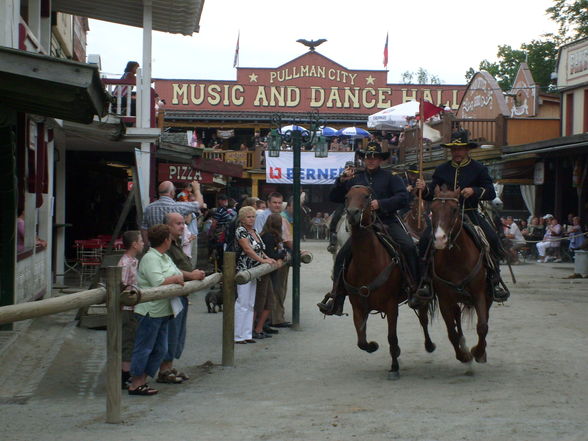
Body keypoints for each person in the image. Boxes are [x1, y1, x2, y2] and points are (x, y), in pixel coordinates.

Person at [318, 141, 420, 315]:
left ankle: (415, 288)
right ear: (364, 159)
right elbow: (334, 197)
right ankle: (337, 297)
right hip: (363, 228)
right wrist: (341, 181)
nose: (371, 160)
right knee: (342, 256)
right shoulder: (355, 179)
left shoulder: (391, 177)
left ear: (381, 160)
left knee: (409, 246)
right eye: (368, 157)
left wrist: (381, 203)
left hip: (387, 221)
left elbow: (403, 198)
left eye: (375, 157)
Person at [415, 129, 509, 303]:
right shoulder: (442, 169)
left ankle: (495, 280)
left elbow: (489, 192)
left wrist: (475, 190)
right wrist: (423, 188)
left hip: (470, 213)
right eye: (454, 149)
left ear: (467, 150)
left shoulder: (479, 169)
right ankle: (425, 281)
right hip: (445, 216)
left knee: (492, 238)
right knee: (425, 241)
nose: (457, 152)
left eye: (460, 149)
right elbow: (430, 194)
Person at [128, 224, 184, 396]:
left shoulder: (164, 257)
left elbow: (176, 273)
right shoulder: (151, 258)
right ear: (166, 240)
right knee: (145, 347)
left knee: (160, 349)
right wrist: (175, 278)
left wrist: (178, 277)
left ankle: (143, 379)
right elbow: (158, 282)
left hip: (164, 310)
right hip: (150, 311)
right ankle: (136, 383)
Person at [157, 213, 206, 384]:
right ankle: (164, 370)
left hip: (182, 294)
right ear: (168, 226)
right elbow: (170, 270)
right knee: (171, 332)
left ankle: (169, 367)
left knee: (178, 333)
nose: (181, 226)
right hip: (171, 296)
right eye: (177, 223)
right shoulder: (165, 246)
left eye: (182, 223)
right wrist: (191, 275)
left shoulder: (176, 243)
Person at [235, 206, 276, 344]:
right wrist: (263, 260)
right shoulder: (241, 231)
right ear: (242, 218)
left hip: (255, 270)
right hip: (244, 268)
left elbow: (259, 249)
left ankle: (247, 334)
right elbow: (247, 249)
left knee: (251, 303)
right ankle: (238, 335)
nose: (251, 219)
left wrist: (266, 258)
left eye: (253, 216)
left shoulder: (255, 231)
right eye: (248, 217)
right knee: (242, 302)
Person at [255, 192, 293, 327]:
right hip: (268, 258)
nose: (277, 205)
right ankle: (265, 322)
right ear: (268, 203)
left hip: (278, 256)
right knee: (266, 292)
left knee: (278, 289)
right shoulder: (261, 216)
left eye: (279, 202)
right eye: (274, 202)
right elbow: (259, 238)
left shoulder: (281, 217)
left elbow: (285, 238)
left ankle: (274, 319)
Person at [117, 230, 144, 389]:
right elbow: (122, 284)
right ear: (134, 244)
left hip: (133, 306)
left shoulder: (133, 261)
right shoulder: (126, 263)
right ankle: (124, 373)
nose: (142, 243)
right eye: (140, 241)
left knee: (132, 338)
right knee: (128, 339)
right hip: (127, 307)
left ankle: (127, 370)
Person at [255, 213, 288, 339]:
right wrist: (281, 254)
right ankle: (259, 326)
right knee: (265, 299)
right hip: (267, 271)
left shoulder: (271, 235)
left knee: (269, 298)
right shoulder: (268, 236)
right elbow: (270, 253)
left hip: (271, 271)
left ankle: (264, 325)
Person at [141, 180, 204, 246]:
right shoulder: (178, 206)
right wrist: (197, 189)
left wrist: (147, 245)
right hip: (172, 246)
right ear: (172, 193)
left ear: (159, 193)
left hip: (154, 246)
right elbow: (199, 204)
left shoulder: (148, 208)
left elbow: (144, 228)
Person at [327, 161, 356, 253]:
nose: (349, 169)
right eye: (348, 167)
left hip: (357, 201)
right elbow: (333, 194)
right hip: (344, 202)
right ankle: (333, 241)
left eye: (351, 167)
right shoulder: (340, 178)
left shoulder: (358, 178)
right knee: (336, 217)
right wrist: (341, 181)